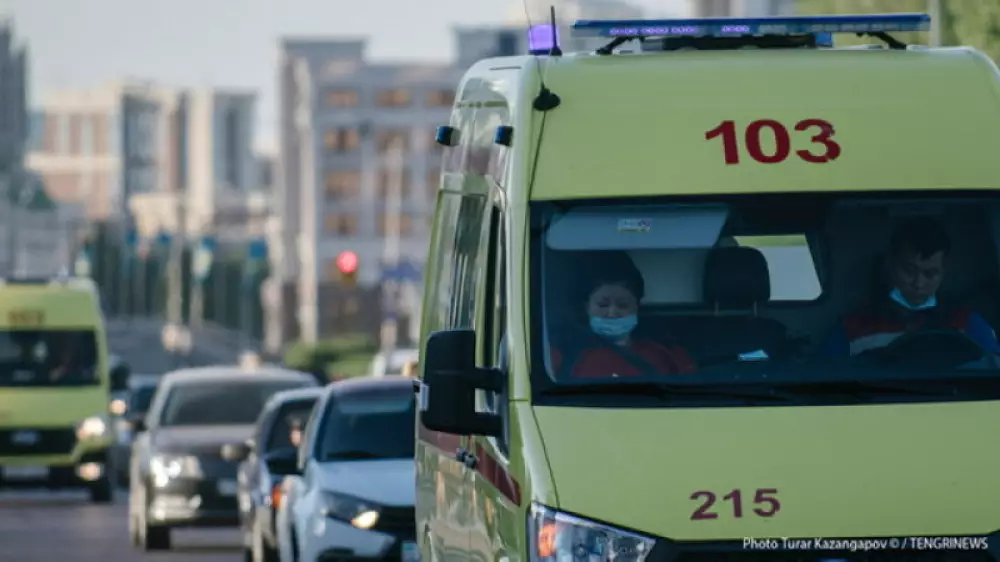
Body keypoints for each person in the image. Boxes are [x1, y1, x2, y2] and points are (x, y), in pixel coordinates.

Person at [823, 217, 1000, 356]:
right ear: (889, 265)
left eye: (930, 274)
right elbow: (827, 382)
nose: (918, 284)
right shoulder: (851, 329)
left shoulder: (967, 323)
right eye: (909, 271)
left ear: (943, 274)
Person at [549, 254, 696, 378]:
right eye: (603, 305)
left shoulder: (668, 353)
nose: (612, 313)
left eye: (623, 305)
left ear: (637, 306)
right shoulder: (560, 356)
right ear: (586, 307)